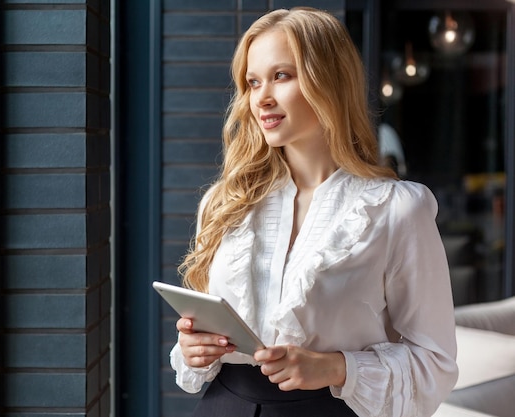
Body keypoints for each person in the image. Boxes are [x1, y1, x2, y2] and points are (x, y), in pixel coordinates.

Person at [170, 7, 458, 417]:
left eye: (281, 76)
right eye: (253, 83)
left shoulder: (397, 209)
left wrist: (336, 367)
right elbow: (199, 342)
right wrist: (192, 348)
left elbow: (435, 363)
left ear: (329, 82)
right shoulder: (224, 203)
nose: (261, 98)